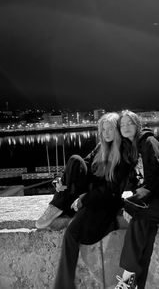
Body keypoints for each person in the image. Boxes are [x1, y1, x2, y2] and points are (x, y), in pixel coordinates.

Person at [36, 112, 132, 289]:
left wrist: (84, 199)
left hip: (103, 204)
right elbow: (84, 165)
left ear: (117, 130)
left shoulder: (124, 154)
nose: (106, 132)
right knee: (74, 160)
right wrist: (60, 179)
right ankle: (56, 205)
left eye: (110, 128)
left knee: (71, 232)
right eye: (103, 129)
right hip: (88, 196)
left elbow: (110, 190)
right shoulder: (100, 147)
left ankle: (63, 286)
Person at [115, 110, 159, 289]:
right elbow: (132, 182)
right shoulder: (129, 150)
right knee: (145, 228)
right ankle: (136, 284)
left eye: (130, 123)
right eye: (122, 125)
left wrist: (132, 205)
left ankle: (127, 278)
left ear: (137, 125)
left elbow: (156, 178)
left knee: (139, 216)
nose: (126, 127)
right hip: (151, 197)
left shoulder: (148, 142)